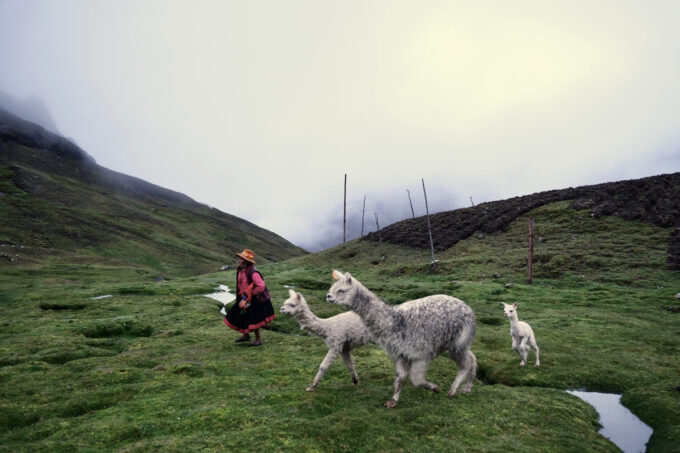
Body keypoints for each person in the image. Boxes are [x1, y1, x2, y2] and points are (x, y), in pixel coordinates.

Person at [223, 248, 275, 346]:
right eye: (239, 258)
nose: (239, 260)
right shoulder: (240, 270)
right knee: (242, 315)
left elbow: (261, 286)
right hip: (242, 297)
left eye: (241, 259)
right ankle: (245, 335)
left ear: (245, 261)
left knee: (254, 319)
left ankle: (258, 339)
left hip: (253, 299)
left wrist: (251, 294)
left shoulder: (253, 272)